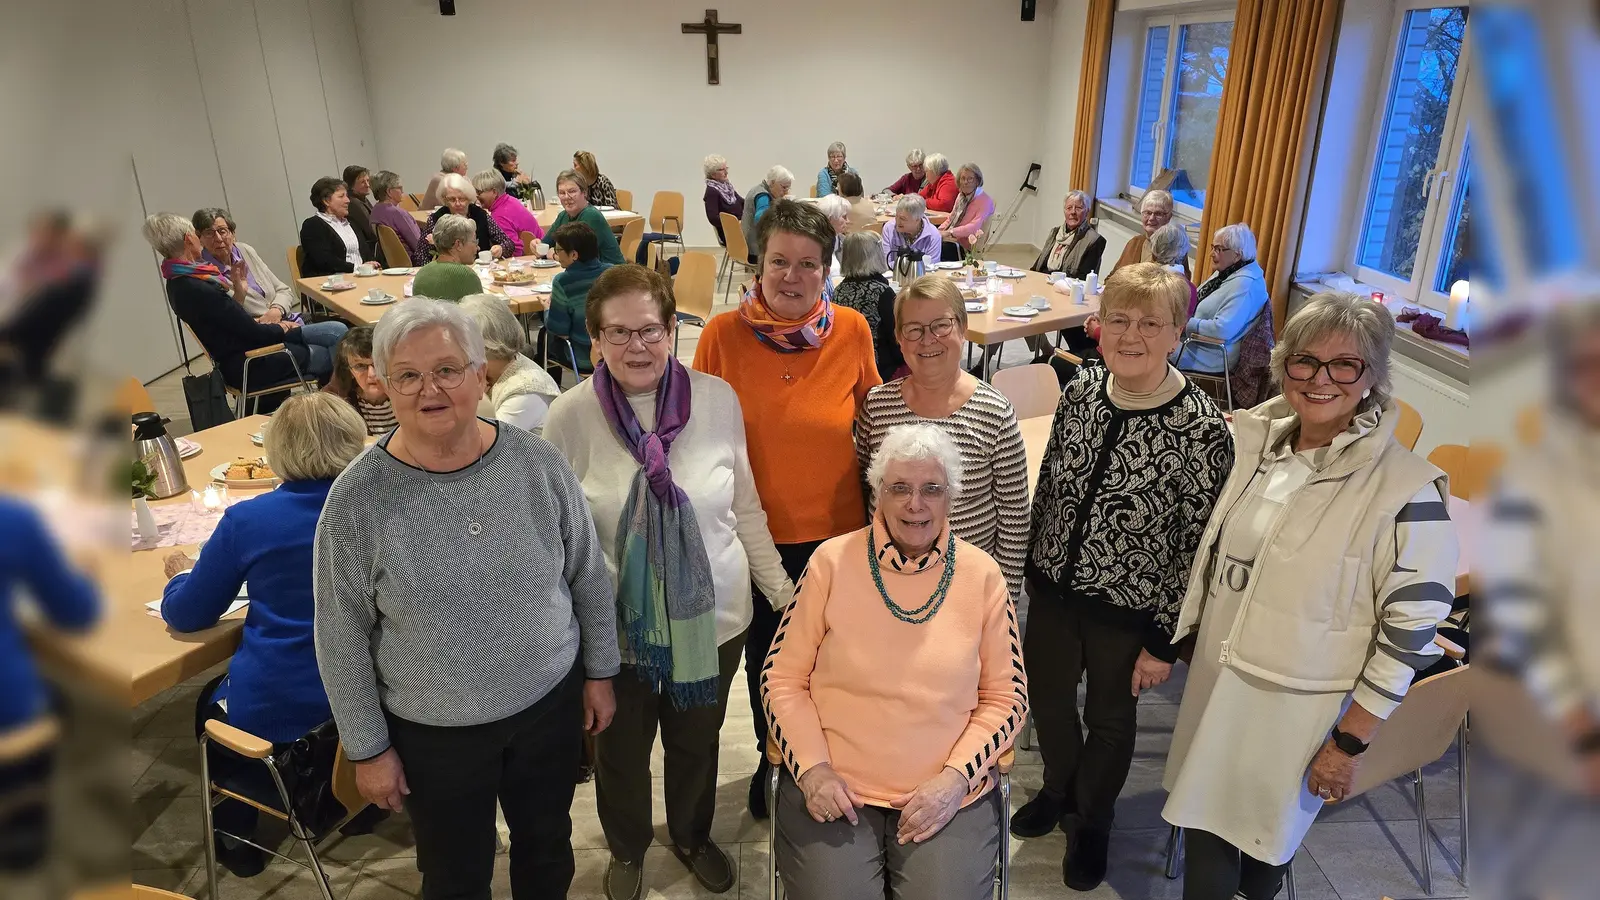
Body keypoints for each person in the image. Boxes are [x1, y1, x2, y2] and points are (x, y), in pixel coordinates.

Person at [315, 297, 622, 900]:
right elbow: (340, 634)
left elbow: (587, 573)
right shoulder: (356, 501)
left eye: (448, 369)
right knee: (455, 876)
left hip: (546, 707)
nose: (429, 388)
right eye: (407, 375)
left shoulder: (538, 464)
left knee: (547, 851)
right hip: (435, 736)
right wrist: (367, 748)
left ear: (482, 372)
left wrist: (601, 672)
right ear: (382, 387)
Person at [1161, 291, 1458, 900]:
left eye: (1344, 364)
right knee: (1209, 831)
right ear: (1282, 364)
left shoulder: (1406, 490)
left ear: (1371, 374)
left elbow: (1409, 635)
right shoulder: (1260, 445)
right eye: (1304, 360)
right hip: (1222, 682)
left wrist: (1348, 743)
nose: (1320, 379)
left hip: (1296, 708)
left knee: (1253, 844)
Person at [544, 264, 795, 900]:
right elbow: (559, 544)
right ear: (595, 338)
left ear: (673, 330)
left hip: (713, 621)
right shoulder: (568, 418)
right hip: (617, 631)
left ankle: (691, 834)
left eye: (651, 331)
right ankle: (628, 846)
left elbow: (745, 510)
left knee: (695, 744)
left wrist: (786, 598)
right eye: (618, 333)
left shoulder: (716, 400)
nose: (636, 347)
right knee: (621, 755)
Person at [1016, 264, 1233, 890]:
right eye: (1118, 319)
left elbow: (1196, 548)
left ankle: (1093, 820)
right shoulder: (1082, 390)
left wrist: (1164, 640)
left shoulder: (1198, 427)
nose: (1130, 334)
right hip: (1054, 594)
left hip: (1127, 610)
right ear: (1099, 325)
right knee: (1050, 701)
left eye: (1149, 323)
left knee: (1110, 721)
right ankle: (1058, 788)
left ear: (1176, 334)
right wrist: (1034, 566)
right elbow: (1053, 481)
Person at [762, 423, 1029, 900]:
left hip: (948, 791)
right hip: (837, 786)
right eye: (899, 488)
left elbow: (1007, 698)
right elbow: (782, 677)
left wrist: (955, 779)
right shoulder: (830, 562)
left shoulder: (982, 576)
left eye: (932, 489)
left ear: (952, 498)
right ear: (878, 494)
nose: (915, 504)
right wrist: (812, 769)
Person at [693, 200, 881, 819]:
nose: (791, 277)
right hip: (753, 540)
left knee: (833, 661)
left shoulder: (852, 329)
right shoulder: (722, 335)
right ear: (759, 263)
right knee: (769, 667)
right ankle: (774, 761)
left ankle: (828, 763)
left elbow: (876, 421)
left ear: (826, 268)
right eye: (778, 262)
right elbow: (691, 428)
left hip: (837, 536)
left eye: (807, 264)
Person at [161, 393, 368, 877]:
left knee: (209, 703)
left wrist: (177, 577)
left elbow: (189, 614)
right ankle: (359, 806)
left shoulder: (250, 520)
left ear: (276, 450)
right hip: (372, 698)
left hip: (289, 705)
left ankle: (237, 836)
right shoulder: (382, 509)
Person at [856, 275, 1027, 595]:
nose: (928, 339)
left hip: (966, 586)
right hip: (887, 580)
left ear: (963, 328)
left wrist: (1004, 604)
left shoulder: (996, 413)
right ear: (899, 338)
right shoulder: (877, 406)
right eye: (914, 329)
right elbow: (865, 491)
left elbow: (1014, 524)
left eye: (941, 325)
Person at [144, 213, 344, 392]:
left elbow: (231, 322)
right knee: (339, 347)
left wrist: (240, 292)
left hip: (247, 349)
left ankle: (337, 401)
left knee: (338, 331)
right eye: (199, 234)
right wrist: (283, 327)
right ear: (189, 239)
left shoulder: (179, 281)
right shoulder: (198, 287)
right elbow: (253, 333)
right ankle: (341, 399)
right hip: (252, 362)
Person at [458, 293, 561, 435]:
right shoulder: (503, 366)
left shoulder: (524, 392)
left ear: (484, 349)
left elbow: (485, 444)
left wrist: (475, 395)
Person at [1175, 223, 1270, 374]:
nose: (1212, 254)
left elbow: (1222, 329)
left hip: (1211, 354)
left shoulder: (1246, 283)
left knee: (1152, 346)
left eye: (1218, 249)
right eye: (1213, 247)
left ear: (1237, 254)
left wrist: (1184, 323)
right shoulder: (1227, 271)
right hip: (1194, 341)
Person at [192, 208, 299, 322]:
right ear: (199, 238)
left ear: (233, 233)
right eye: (209, 233)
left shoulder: (245, 250)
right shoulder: (204, 272)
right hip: (261, 333)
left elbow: (284, 290)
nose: (218, 238)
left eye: (222, 231)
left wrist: (276, 310)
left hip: (287, 318)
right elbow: (225, 320)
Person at [833, 231, 901, 380]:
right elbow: (895, 337)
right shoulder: (882, 292)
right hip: (877, 368)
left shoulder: (838, 291)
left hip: (844, 365)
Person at [324, 324, 397, 435]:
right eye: (360, 366)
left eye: (377, 364)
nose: (372, 374)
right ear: (350, 371)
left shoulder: (406, 392)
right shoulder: (340, 401)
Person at [299, 176, 375, 278]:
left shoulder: (351, 222)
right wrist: (357, 267)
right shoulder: (312, 225)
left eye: (347, 196)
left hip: (361, 276)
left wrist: (371, 264)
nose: (348, 200)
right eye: (341, 196)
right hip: (332, 283)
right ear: (326, 201)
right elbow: (324, 260)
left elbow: (365, 251)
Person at [545, 170, 626, 266]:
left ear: (584, 193)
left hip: (610, 275)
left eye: (572, 191)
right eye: (562, 193)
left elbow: (577, 259)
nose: (567, 197)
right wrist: (536, 245)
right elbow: (545, 245)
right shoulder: (563, 216)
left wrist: (554, 255)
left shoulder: (591, 216)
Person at [422, 173, 508, 261]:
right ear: (444, 200)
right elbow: (421, 255)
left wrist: (501, 248)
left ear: (468, 198)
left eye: (462, 199)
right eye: (452, 199)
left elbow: (507, 243)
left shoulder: (480, 214)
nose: (458, 203)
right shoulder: (436, 219)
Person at [1111, 189, 1187, 276]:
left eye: (1158, 214)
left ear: (1169, 217)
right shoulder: (1134, 242)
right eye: (1147, 213)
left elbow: (1182, 283)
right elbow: (1113, 275)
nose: (1151, 218)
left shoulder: (1175, 248)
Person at [1032, 191, 1105, 278]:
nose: (1073, 212)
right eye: (1069, 208)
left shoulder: (1095, 240)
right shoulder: (1055, 232)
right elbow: (1039, 264)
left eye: (1078, 208)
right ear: (1064, 211)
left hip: (1067, 287)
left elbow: (1083, 279)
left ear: (1087, 211)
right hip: (1043, 280)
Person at [412, 214, 485, 302]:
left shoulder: (422, 273)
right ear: (458, 244)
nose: (478, 248)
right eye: (474, 242)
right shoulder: (466, 276)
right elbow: (481, 312)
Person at [473, 169, 543, 257]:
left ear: (494, 192)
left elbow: (515, 250)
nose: (476, 196)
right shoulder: (510, 200)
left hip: (532, 256)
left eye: (479, 192)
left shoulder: (499, 216)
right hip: (539, 247)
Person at [368, 170, 429, 266]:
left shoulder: (375, 211)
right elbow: (418, 245)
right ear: (389, 191)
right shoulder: (398, 213)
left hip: (391, 263)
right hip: (414, 262)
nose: (403, 191)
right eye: (400, 188)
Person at [937, 164, 994, 262]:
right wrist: (939, 231)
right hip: (952, 238)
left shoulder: (985, 200)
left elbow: (974, 227)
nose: (965, 182)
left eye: (970, 179)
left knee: (937, 247)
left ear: (977, 181)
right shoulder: (961, 196)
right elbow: (951, 218)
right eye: (963, 178)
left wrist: (950, 232)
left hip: (965, 247)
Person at [739, 166, 793, 264]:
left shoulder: (757, 188)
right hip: (755, 250)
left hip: (746, 244)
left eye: (788, 188)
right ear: (772, 183)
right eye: (784, 187)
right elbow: (761, 219)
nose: (786, 191)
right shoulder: (763, 196)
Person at [881, 194, 941, 269]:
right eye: (896, 216)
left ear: (917, 220)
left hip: (922, 278)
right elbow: (885, 265)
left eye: (903, 218)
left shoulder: (933, 234)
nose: (897, 221)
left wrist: (902, 263)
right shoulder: (889, 228)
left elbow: (932, 267)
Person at [702, 154, 744, 245]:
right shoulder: (711, 192)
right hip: (729, 233)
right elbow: (713, 218)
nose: (726, 172)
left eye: (726, 169)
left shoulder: (727, 186)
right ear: (713, 174)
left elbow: (741, 202)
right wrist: (735, 223)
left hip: (740, 228)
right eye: (722, 170)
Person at [343, 165, 377, 248]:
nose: (368, 185)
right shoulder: (353, 203)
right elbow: (372, 232)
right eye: (363, 182)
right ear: (350, 185)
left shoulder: (362, 198)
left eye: (368, 181)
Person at [815, 195, 850, 261]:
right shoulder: (811, 243)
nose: (848, 221)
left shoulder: (846, 243)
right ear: (829, 218)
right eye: (844, 217)